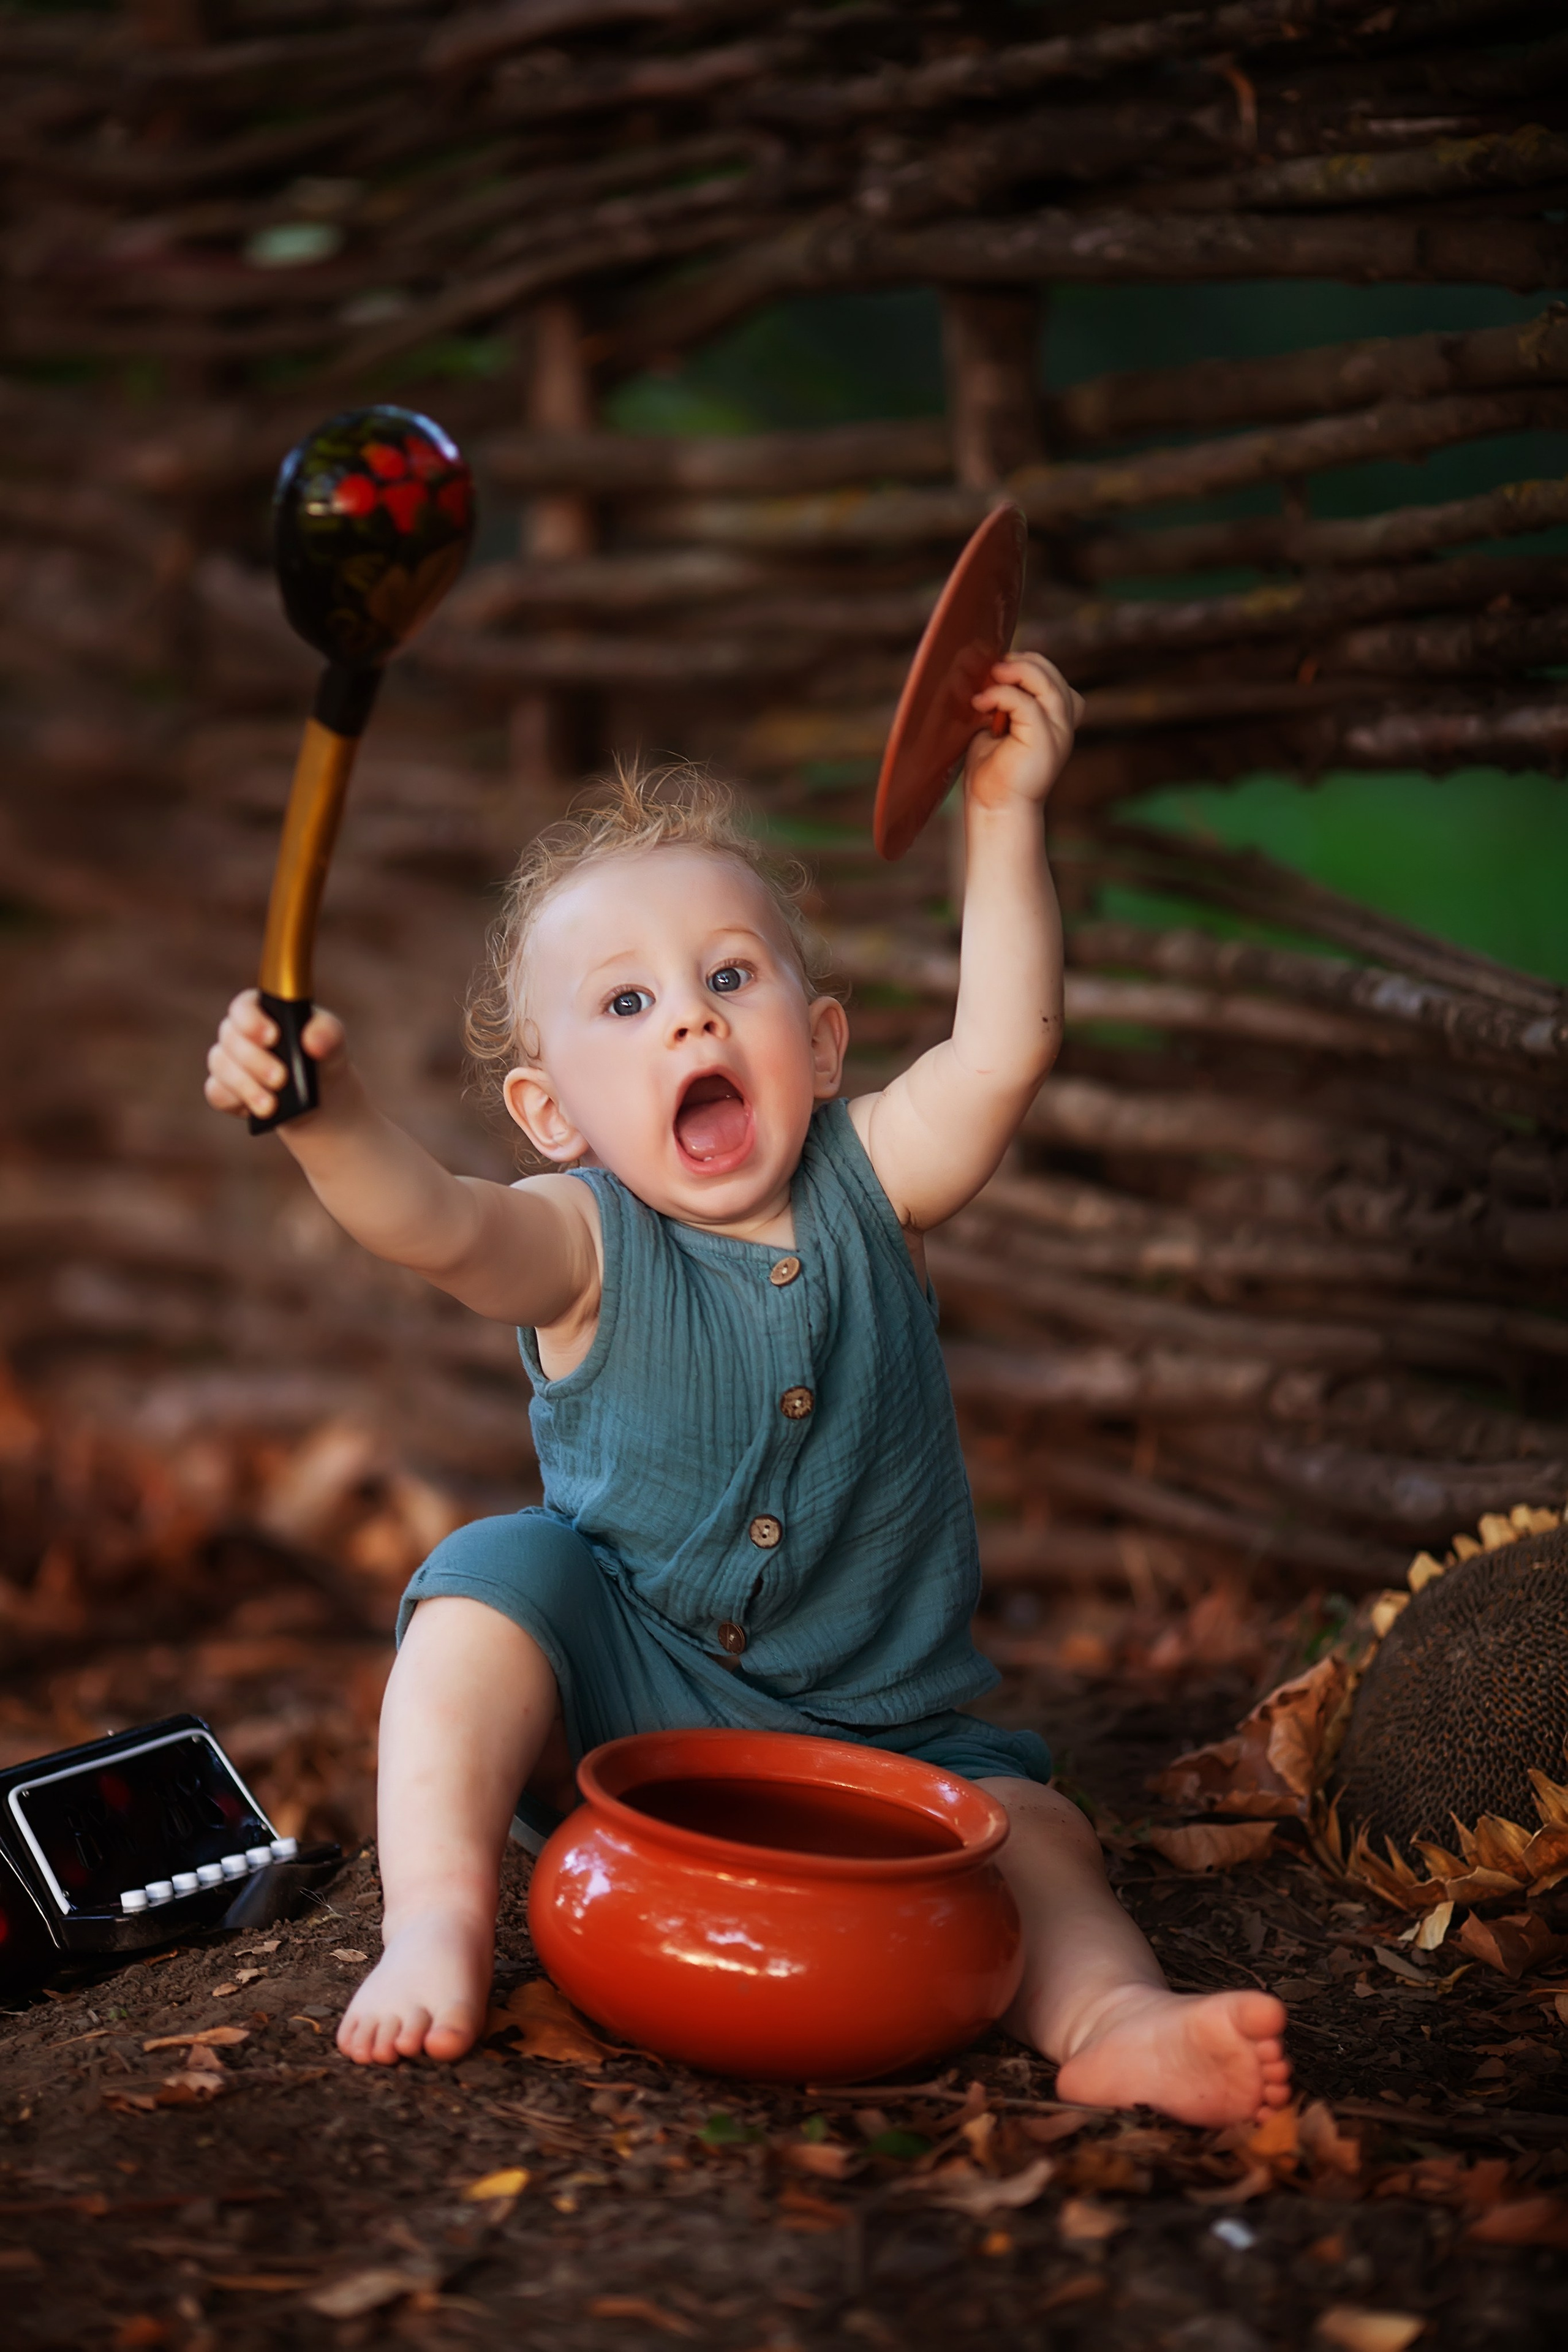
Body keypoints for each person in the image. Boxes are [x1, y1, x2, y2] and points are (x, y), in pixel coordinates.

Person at [205, 654, 1291, 2125]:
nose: (691, 1025)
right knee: (482, 1587)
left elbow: (1008, 1046)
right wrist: (324, 1123)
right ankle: (439, 1921)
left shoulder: (876, 1177)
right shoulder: (580, 1242)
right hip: (634, 1684)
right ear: (550, 1113)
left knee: (1034, 1837)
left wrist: (1005, 816)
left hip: (890, 1731)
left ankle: (1115, 2019)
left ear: (822, 1041)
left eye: (730, 979)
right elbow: (437, 1221)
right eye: (630, 1002)